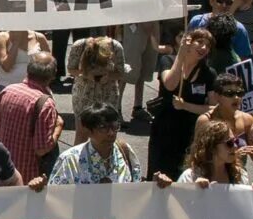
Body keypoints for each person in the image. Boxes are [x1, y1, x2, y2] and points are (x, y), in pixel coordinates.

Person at [147, 28, 217, 180]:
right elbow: (170, 84)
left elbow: (213, 108)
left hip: (190, 132)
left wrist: (186, 106)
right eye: (199, 42)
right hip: (164, 129)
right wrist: (181, 54)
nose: (204, 48)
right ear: (188, 42)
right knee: (159, 176)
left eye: (208, 45)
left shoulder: (209, 73)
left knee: (183, 177)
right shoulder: (168, 61)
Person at [0, 52, 64, 183]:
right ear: (52, 76)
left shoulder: (7, 91)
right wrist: (58, 127)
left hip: (4, 170)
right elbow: (42, 149)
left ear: (28, 70)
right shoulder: (45, 104)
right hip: (30, 176)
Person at [47, 103, 142, 184]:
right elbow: (56, 196)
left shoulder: (124, 151)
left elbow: (137, 188)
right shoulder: (69, 160)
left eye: (114, 126)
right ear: (88, 131)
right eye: (103, 127)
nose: (111, 133)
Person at [65, 35, 127, 142]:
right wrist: (86, 74)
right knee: (82, 133)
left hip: (108, 95)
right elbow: (71, 69)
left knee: (108, 133)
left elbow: (120, 72)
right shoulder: (79, 46)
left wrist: (109, 76)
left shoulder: (116, 47)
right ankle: (78, 158)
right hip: (84, 95)